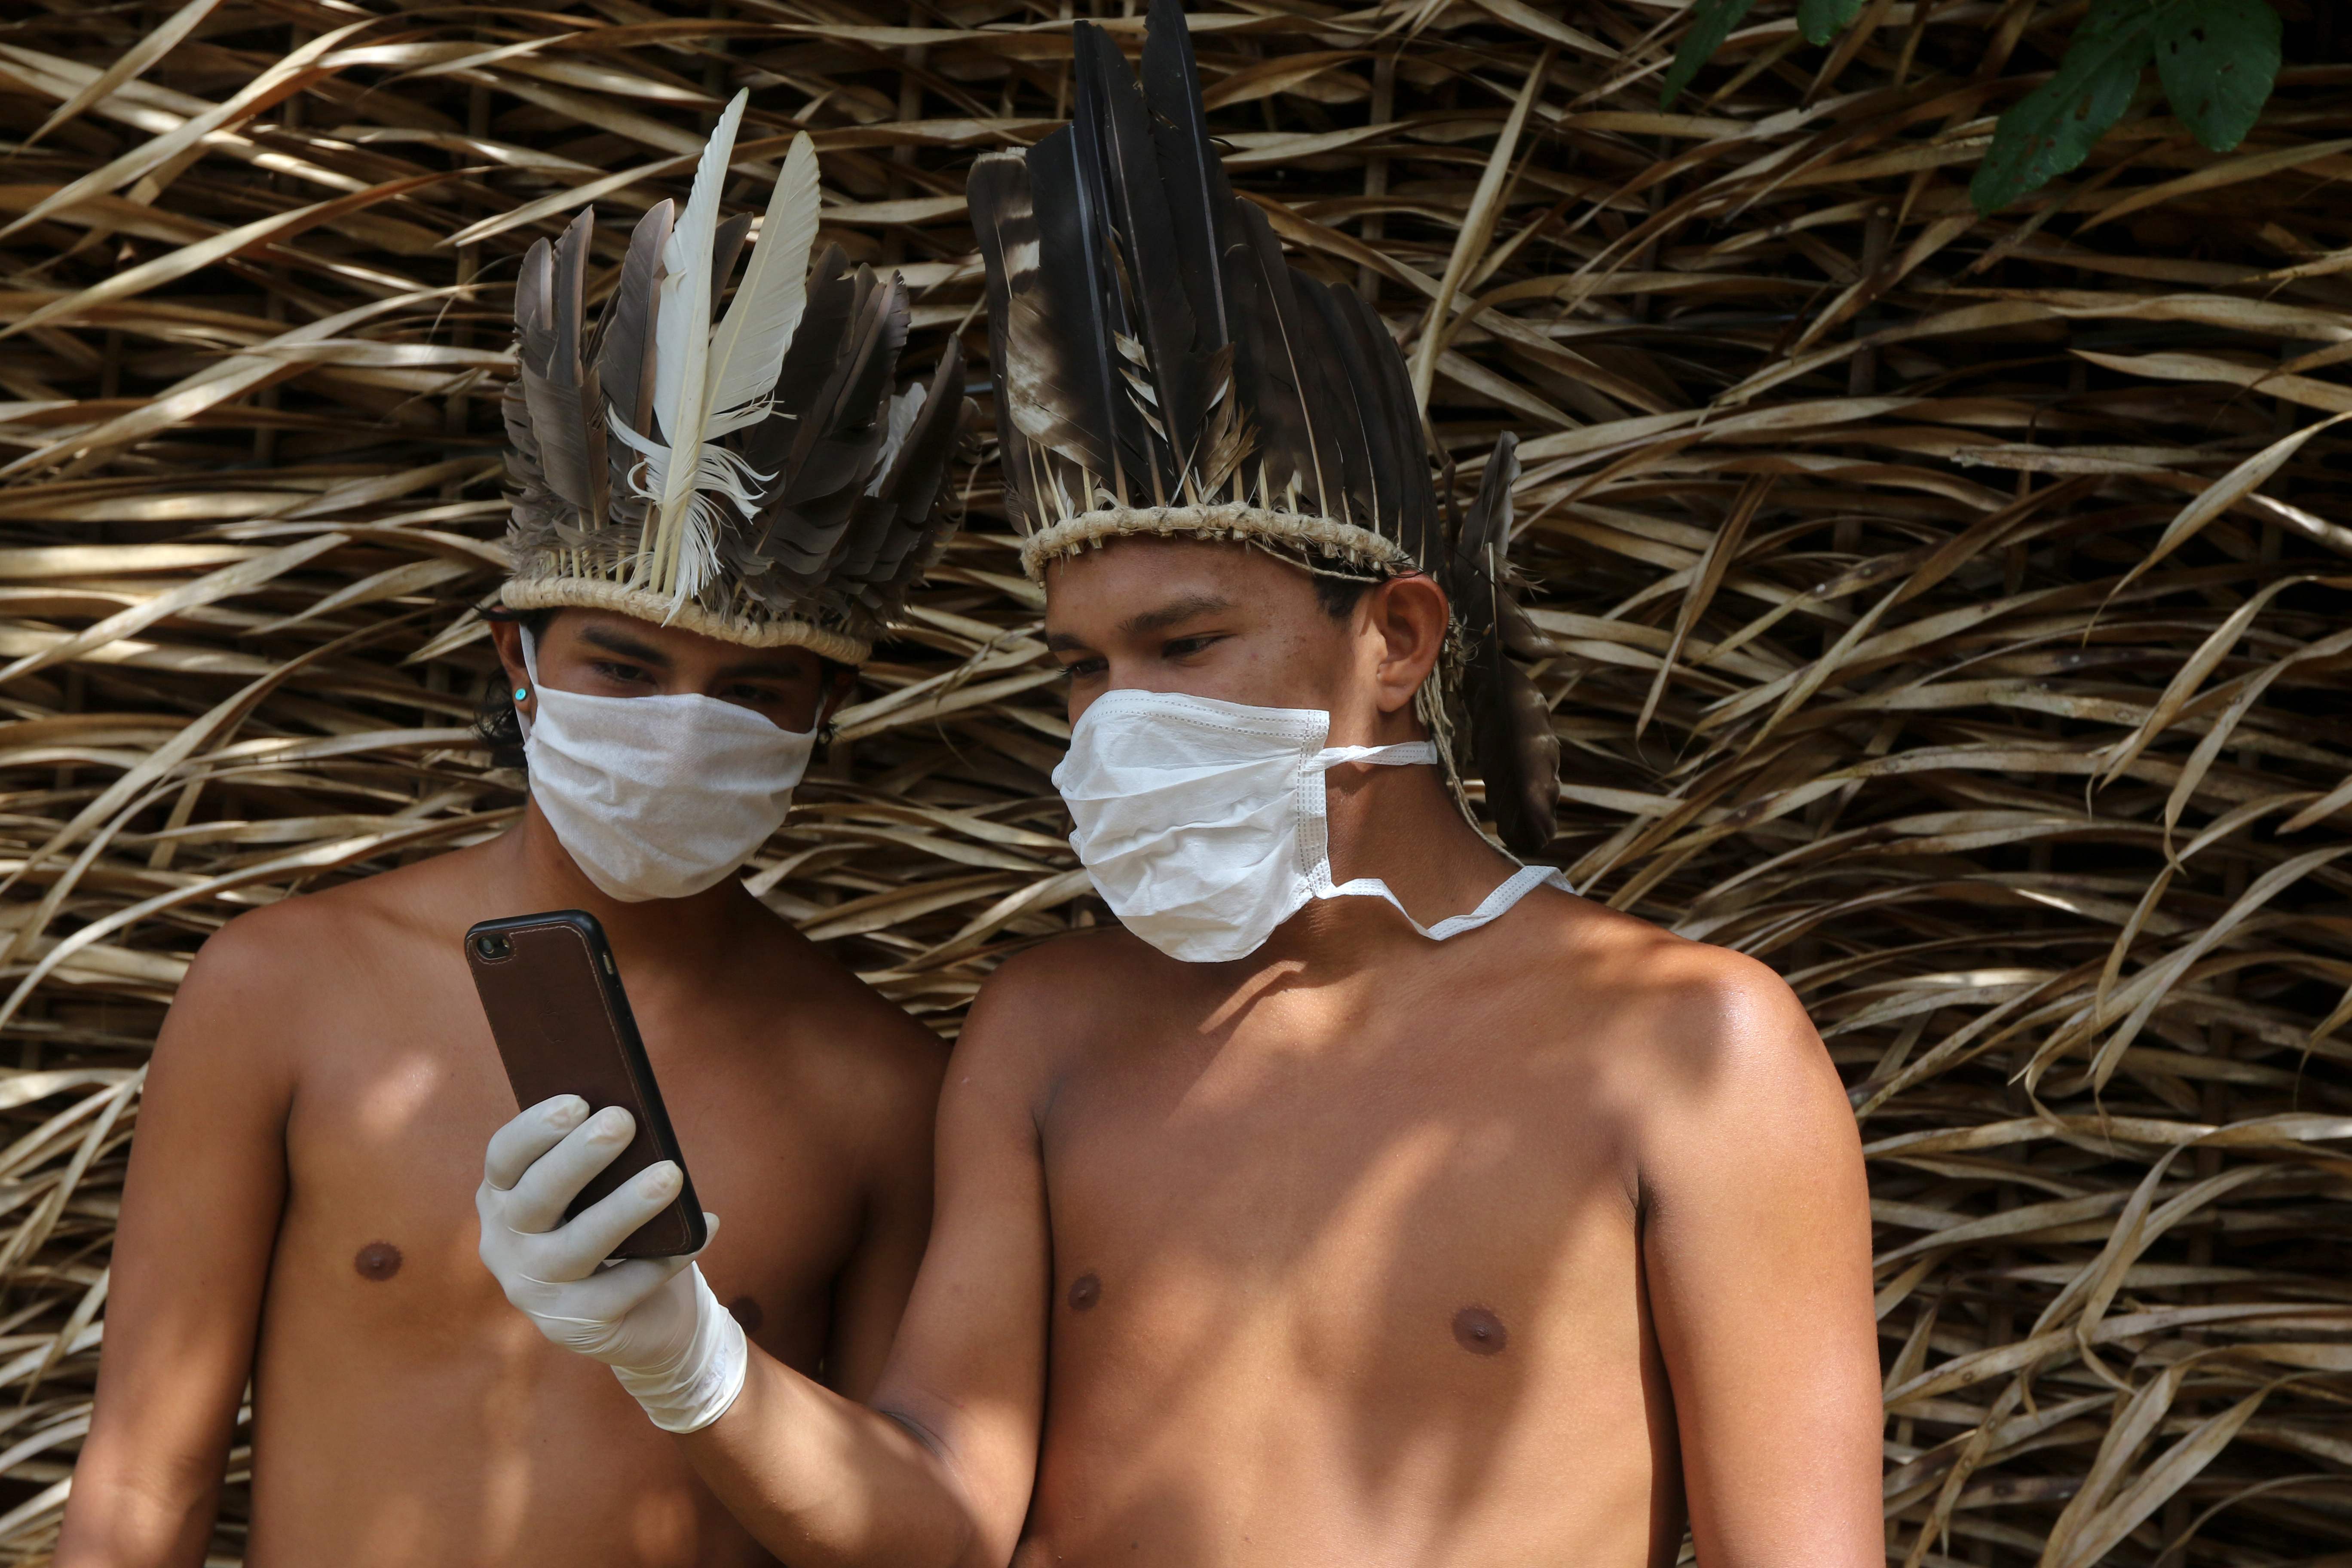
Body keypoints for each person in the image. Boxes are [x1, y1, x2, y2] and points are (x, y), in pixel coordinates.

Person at [473, 13, 1885, 1566]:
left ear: (1397, 640)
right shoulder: (1052, 1035)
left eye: (1184, 643)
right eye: (1083, 667)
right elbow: (939, 1521)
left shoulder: (1693, 1048)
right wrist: (680, 1349)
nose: (1121, 716)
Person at [61, 96, 972, 1568]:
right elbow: (140, 1492)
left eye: (753, 689)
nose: (682, 728)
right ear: (518, 660)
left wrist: (691, 1355)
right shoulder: (283, 991)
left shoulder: (877, 1088)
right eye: (626, 666)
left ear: (822, 712)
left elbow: (900, 1535)